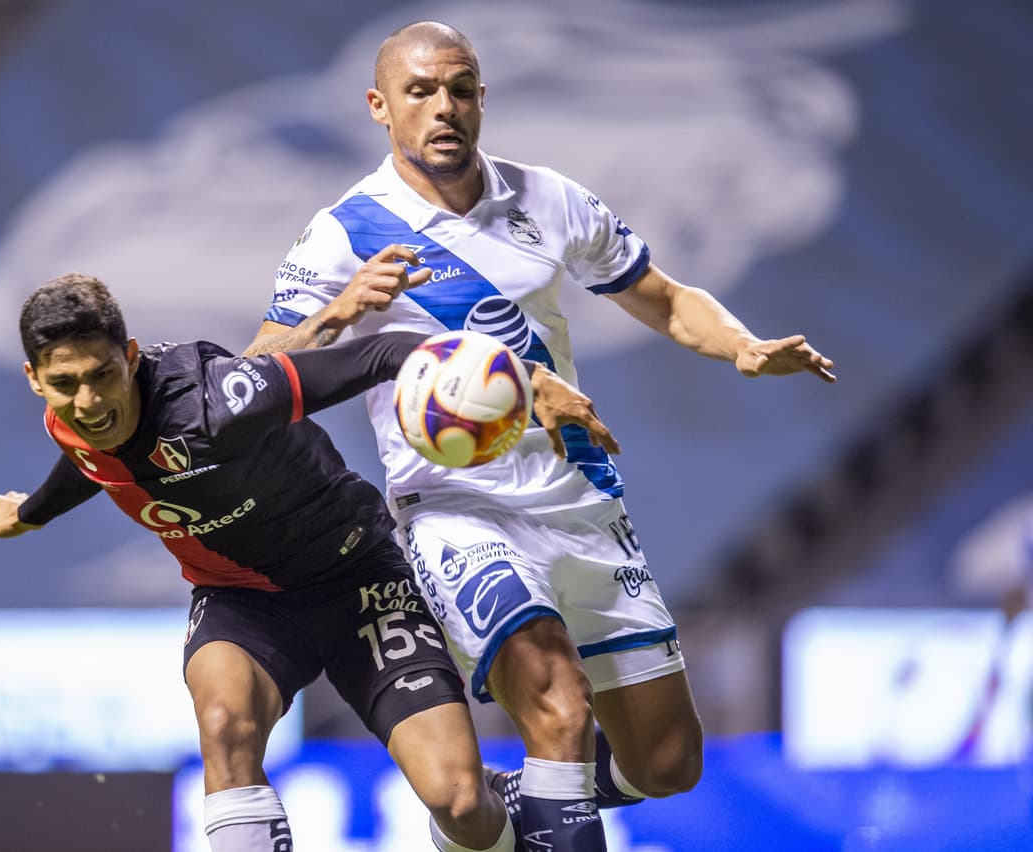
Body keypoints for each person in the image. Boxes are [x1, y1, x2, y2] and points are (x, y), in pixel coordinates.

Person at [245, 21, 838, 851]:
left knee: (667, 762)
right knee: (558, 702)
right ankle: (533, 802)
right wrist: (338, 312)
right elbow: (253, 377)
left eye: (459, 88)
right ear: (381, 107)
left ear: (482, 97)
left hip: (579, 501)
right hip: (458, 507)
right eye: (420, 92)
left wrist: (740, 343)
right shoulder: (345, 233)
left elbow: (663, 297)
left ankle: (504, 804)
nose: (443, 107)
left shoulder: (550, 198)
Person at [0, 274, 612, 852]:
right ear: (34, 378)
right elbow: (93, 463)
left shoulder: (219, 403)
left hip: (358, 579)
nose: (88, 402)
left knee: (461, 802)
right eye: (64, 385)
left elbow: (382, 355)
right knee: (224, 724)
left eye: (102, 376)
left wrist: (524, 382)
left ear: (130, 357)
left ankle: (499, 807)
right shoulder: (73, 422)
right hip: (241, 601)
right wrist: (31, 513)